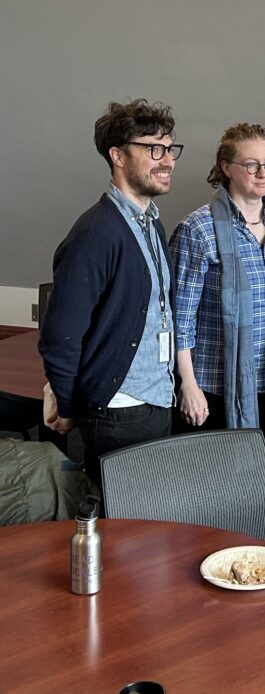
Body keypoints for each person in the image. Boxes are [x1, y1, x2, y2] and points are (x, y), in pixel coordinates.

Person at [169, 123, 265, 544]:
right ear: (226, 168)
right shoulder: (199, 230)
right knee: (221, 490)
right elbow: (179, 317)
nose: (263, 172)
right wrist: (187, 384)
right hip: (217, 388)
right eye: (251, 164)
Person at [39, 99, 181, 490]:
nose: (166, 160)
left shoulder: (151, 223)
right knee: (121, 525)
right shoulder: (96, 232)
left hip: (155, 396)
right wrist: (67, 407)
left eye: (170, 149)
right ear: (117, 155)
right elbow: (60, 336)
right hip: (119, 409)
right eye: (153, 149)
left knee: (148, 519)